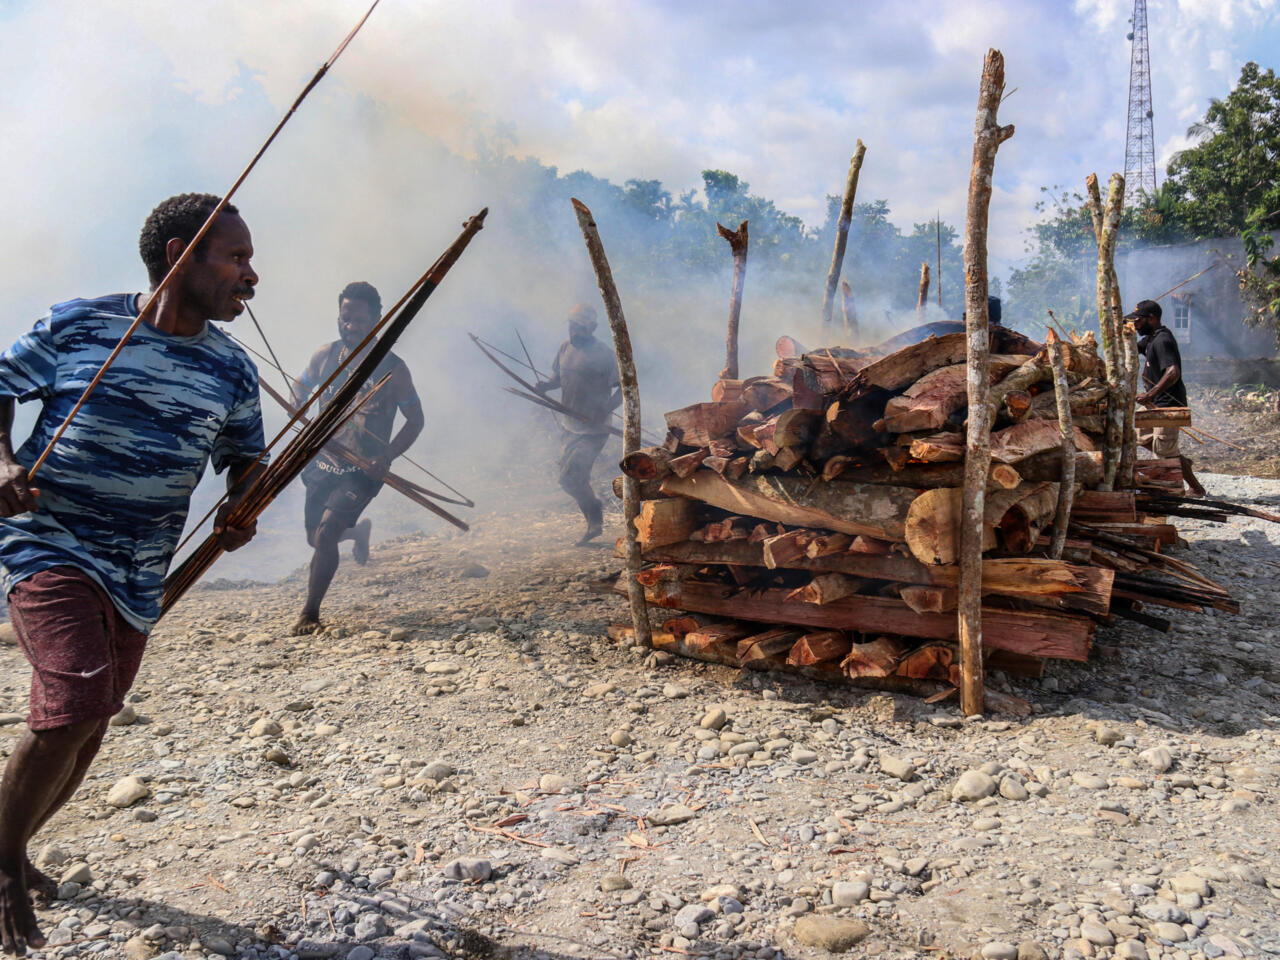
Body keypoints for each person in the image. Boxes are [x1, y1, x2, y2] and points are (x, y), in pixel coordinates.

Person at [0, 193, 266, 955]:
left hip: (140, 567)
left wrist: (243, 505)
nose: (250, 275)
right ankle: (2, 871)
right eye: (236, 258)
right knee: (75, 695)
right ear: (182, 256)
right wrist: (4, 462)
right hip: (48, 544)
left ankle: (8, 846)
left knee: (89, 723)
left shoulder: (231, 369)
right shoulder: (80, 325)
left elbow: (247, 457)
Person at [290, 282, 423, 636]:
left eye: (359, 320)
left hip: (363, 470)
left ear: (377, 321)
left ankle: (310, 613)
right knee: (314, 537)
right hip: (321, 463)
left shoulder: (394, 370)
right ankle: (359, 533)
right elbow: (299, 388)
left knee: (327, 531)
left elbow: (416, 420)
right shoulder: (324, 356)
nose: (350, 326)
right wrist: (300, 412)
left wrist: (388, 455)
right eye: (345, 318)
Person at [535, 304, 620, 544]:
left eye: (580, 327)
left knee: (571, 477)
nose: (574, 331)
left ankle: (595, 520)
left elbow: (624, 389)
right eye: (572, 326)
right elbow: (558, 378)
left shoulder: (604, 353)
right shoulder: (565, 347)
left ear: (592, 327)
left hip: (595, 429)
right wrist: (545, 386)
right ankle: (594, 514)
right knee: (569, 479)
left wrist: (603, 410)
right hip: (569, 425)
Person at [1129, 299, 1206, 497]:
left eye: (1138, 322)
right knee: (1139, 436)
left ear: (1152, 319)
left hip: (1167, 405)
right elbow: (1130, 346)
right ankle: (1178, 460)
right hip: (1154, 404)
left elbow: (1173, 372)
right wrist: (1122, 327)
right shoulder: (1151, 338)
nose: (1136, 326)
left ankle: (1193, 488)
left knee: (1163, 452)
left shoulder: (1163, 340)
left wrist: (1150, 394)